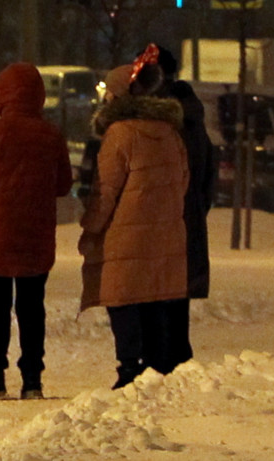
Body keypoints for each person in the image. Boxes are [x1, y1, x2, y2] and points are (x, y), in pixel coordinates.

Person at [0, 63, 74, 400]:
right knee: (31, 308)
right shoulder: (51, 135)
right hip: (35, 236)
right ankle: (32, 381)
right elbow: (64, 185)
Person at [79, 47, 190, 388]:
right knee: (155, 296)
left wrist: (91, 227)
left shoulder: (119, 134)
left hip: (125, 234)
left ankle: (129, 366)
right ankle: (156, 365)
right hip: (166, 233)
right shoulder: (170, 132)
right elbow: (183, 181)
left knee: (123, 300)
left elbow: (106, 190)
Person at [154, 46, 216, 367]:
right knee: (176, 297)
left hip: (159, 221)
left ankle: (162, 363)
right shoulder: (193, 117)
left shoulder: (160, 122)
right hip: (186, 218)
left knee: (157, 294)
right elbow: (208, 177)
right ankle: (176, 358)